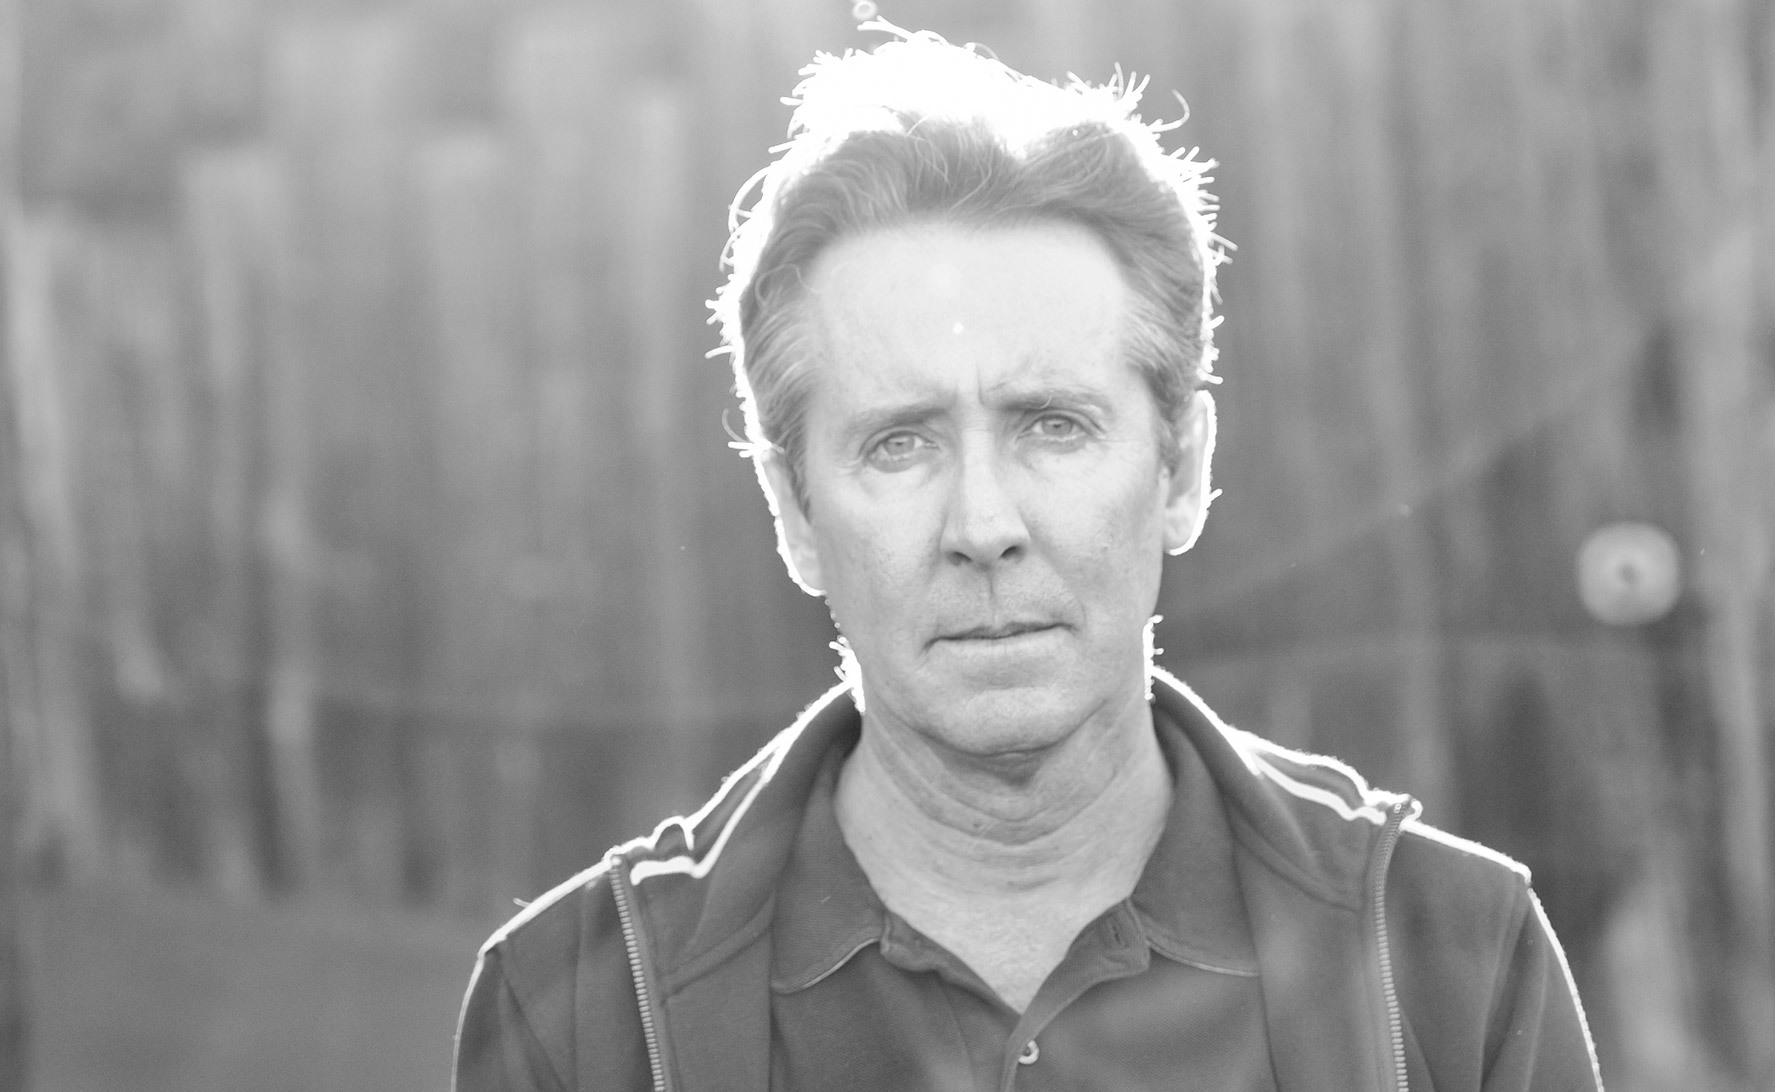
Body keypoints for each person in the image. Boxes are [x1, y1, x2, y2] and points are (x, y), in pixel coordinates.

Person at [454, 26, 1602, 1092]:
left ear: (1181, 468)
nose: (982, 523)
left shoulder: (1452, 969)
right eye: (899, 442)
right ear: (792, 511)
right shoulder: (578, 1022)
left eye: (1051, 425)